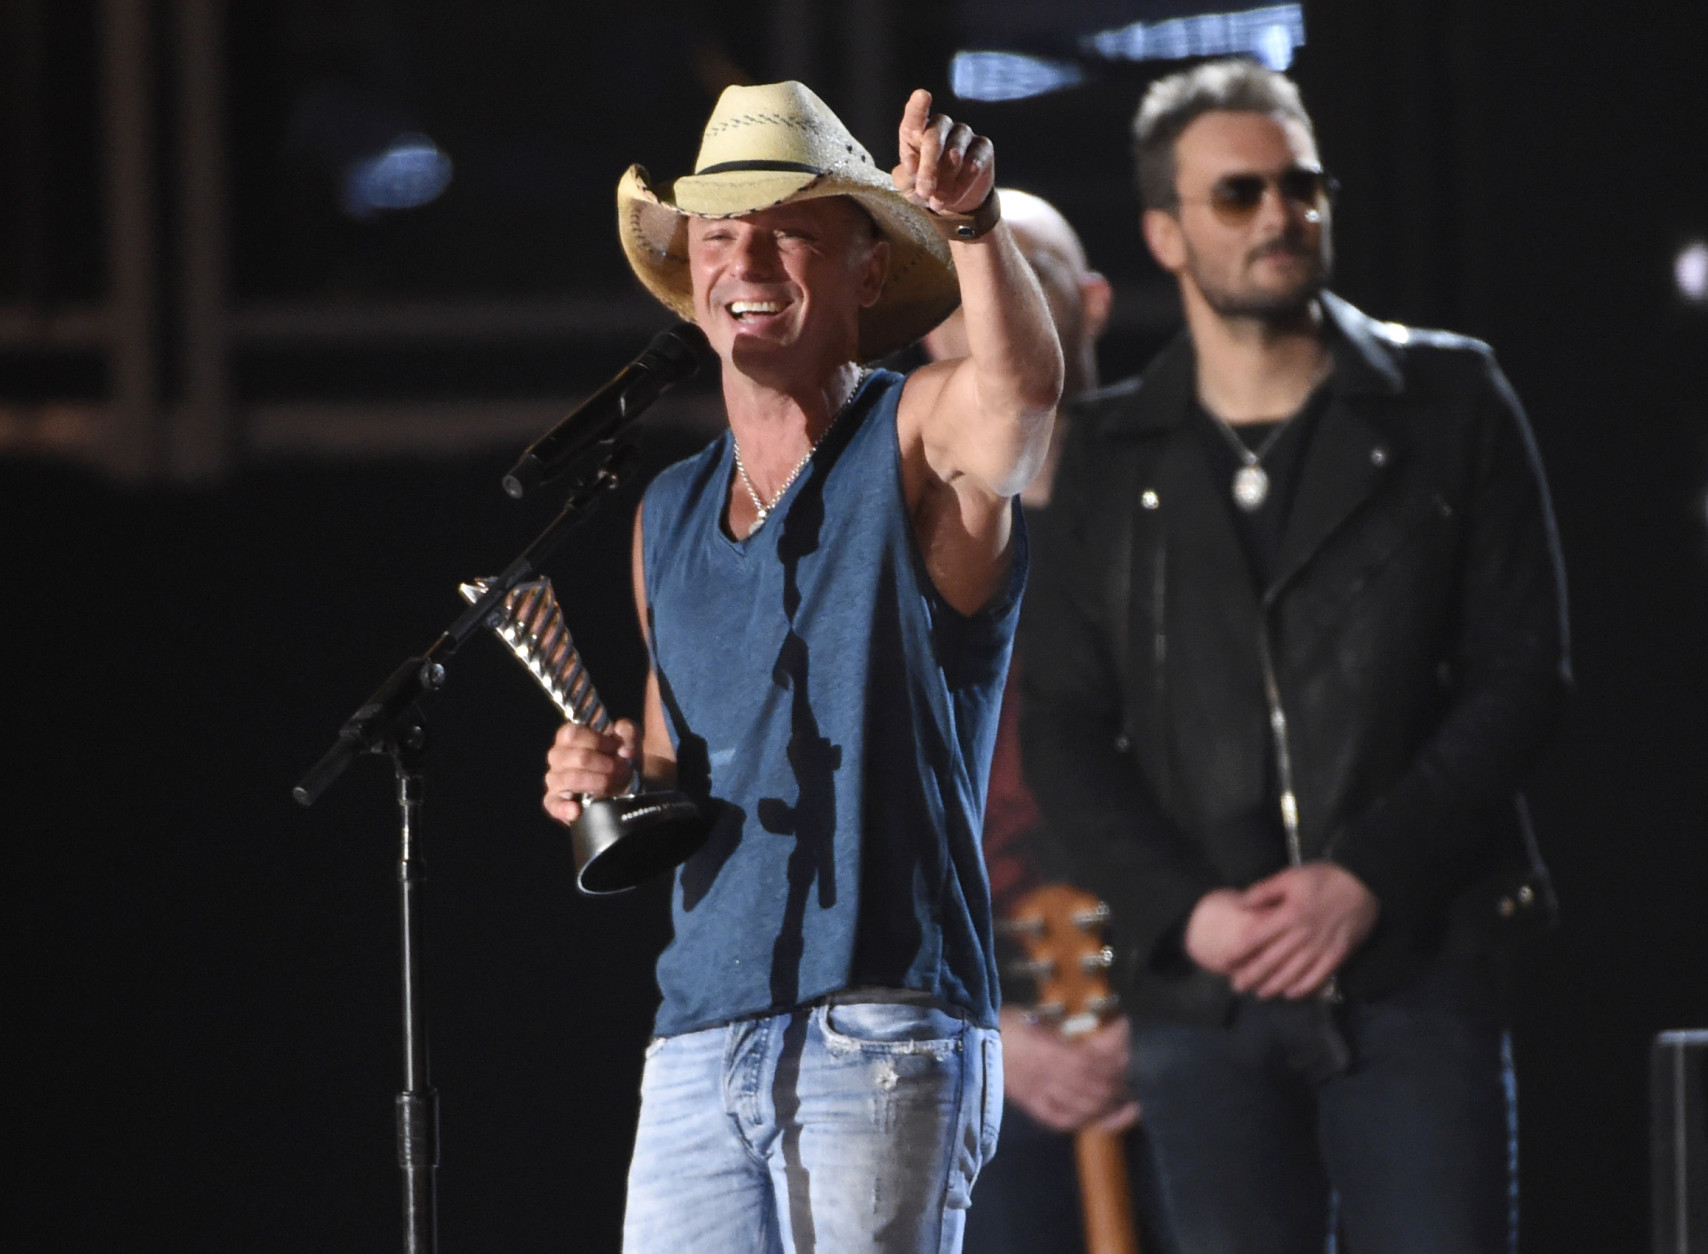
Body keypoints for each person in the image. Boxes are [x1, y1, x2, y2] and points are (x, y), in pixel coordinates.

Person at [1020, 58, 1569, 1254]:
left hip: (1413, 963)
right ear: (1165, 233)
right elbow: (1061, 720)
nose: (1281, 214)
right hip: (1199, 992)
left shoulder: (1449, 400)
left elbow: (1522, 672)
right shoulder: (1112, 455)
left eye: (1301, 184)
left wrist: (1364, 873)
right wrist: (1185, 912)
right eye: (1239, 194)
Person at [542, 81, 1063, 1253]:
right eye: (720, 235)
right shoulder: (666, 514)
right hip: (696, 1030)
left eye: (789, 230)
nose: (747, 258)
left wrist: (972, 225)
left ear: (868, 273)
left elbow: (1021, 396)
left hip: (880, 1020)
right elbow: (677, 763)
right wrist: (608, 777)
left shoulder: (914, 433)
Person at [922, 190, 1161, 1254]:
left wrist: (1174, 1004)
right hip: (971, 1032)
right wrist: (995, 1030)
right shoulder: (893, 535)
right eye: (967, 268)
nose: (996, 291)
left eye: (1026, 263)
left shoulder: (1181, 504)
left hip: (1195, 1010)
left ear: (1094, 301)